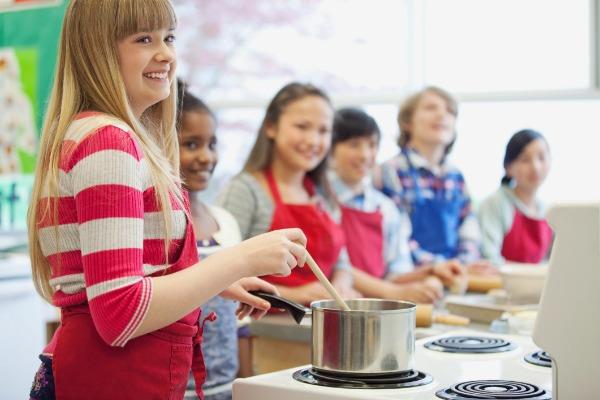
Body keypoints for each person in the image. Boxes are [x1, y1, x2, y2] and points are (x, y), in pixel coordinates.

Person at [27, 2, 307, 399]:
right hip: (109, 379)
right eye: (144, 39)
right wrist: (240, 258)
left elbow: (124, 273)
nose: (166, 55)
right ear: (98, 50)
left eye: (169, 38)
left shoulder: (94, 134)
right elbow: (120, 312)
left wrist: (216, 275)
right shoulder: (110, 142)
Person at [218, 82, 358, 305]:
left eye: (323, 131)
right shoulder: (245, 191)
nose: (313, 140)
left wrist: (342, 283)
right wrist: (296, 296)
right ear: (271, 127)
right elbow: (217, 275)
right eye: (302, 127)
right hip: (262, 333)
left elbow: (342, 263)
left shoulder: (323, 194)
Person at [373, 86, 493, 286]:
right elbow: (397, 238)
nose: (441, 115)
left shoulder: (456, 176)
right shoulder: (391, 171)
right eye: (431, 108)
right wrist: (439, 266)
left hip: (455, 276)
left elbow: (468, 226)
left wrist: (462, 263)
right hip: (412, 281)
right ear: (407, 122)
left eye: (449, 111)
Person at [328, 107, 443, 303]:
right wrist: (394, 292)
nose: (365, 155)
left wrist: (429, 275)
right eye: (354, 145)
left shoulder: (386, 208)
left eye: (372, 145)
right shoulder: (319, 203)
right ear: (330, 149)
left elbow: (394, 273)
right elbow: (331, 268)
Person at [176, 81, 243, 400]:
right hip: (175, 389)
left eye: (211, 144)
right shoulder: (160, 223)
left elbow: (237, 317)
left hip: (225, 387)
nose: (206, 157)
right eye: (191, 144)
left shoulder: (225, 222)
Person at [478, 129, 552, 265]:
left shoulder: (549, 211)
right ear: (509, 167)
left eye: (541, 157)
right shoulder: (495, 203)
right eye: (525, 160)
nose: (535, 167)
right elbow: (489, 258)